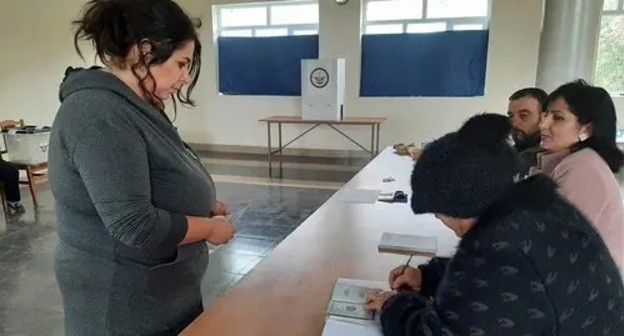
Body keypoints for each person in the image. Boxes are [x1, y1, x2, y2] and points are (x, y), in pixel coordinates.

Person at [48, 0, 236, 334]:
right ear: (144, 52)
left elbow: (155, 170)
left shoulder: (134, 103)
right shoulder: (97, 112)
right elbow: (134, 225)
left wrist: (199, 204)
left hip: (160, 293)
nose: (184, 78)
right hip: (124, 303)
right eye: (181, 64)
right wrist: (209, 229)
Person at [365, 114, 624, 335]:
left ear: (460, 207)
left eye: (438, 214)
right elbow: (489, 284)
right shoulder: (533, 211)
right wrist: (428, 276)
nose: (440, 221)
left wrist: (394, 305)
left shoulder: (501, 247)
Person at [537, 79, 624, 269]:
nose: (543, 125)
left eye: (557, 118)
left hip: (591, 289)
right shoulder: (575, 161)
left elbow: (557, 241)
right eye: (545, 116)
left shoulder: (583, 167)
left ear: (587, 129)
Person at [507, 87, 547, 177]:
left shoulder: (546, 158)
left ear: (544, 118)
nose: (514, 124)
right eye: (511, 116)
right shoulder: (509, 151)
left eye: (523, 115)